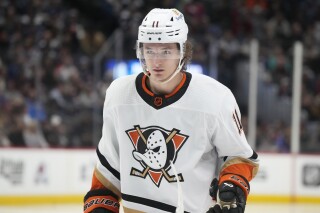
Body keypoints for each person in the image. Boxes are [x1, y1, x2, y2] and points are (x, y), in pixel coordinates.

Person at [83, 8, 259, 213]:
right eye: (149, 50)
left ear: (182, 51)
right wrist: (100, 204)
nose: (156, 61)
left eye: (166, 51)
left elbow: (239, 156)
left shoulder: (215, 98)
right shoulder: (119, 95)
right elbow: (109, 169)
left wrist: (233, 188)